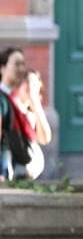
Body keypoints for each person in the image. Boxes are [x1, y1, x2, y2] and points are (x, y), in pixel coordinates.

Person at [0, 47, 52, 181]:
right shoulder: (4, 100)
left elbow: (45, 138)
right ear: (3, 68)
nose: (21, 69)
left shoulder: (21, 107)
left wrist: (35, 100)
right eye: (17, 64)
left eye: (23, 64)